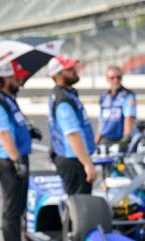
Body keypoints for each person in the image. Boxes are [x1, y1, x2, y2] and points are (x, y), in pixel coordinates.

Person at [0, 62, 34, 241]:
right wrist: (17, 160)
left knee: (19, 206)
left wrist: (29, 130)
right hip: (9, 161)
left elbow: (15, 124)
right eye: (16, 77)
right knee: (12, 209)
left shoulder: (9, 98)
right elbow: (4, 134)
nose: (20, 80)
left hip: (17, 158)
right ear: (5, 78)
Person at [47, 55, 97, 195]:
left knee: (78, 206)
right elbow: (73, 134)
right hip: (73, 160)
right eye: (69, 69)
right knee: (80, 208)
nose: (75, 70)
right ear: (59, 74)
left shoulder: (66, 94)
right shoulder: (63, 100)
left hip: (73, 157)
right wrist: (87, 163)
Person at [95, 65, 137, 150]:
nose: (116, 80)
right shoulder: (104, 96)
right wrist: (96, 142)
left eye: (119, 77)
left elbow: (128, 118)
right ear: (107, 79)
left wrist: (126, 138)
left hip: (120, 140)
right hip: (105, 139)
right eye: (112, 78)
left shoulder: (127, 95)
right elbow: (101, 121)